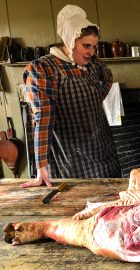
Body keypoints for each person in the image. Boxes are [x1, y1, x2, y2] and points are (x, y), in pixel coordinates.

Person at [21, 5, 120, 188]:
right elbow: (43, 118)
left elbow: (107, 77)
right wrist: (41, 166)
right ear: (70, 41)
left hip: (102, 148)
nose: (91, 52)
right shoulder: (44, 69)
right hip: (72, 157)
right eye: (86, 46)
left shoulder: (92, 64)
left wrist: (96, 98)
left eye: (94, 46)